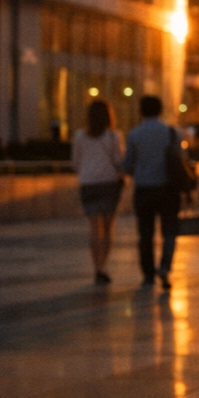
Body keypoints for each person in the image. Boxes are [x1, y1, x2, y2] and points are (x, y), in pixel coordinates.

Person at [121, 95, 180, 292]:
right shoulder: (172, 133)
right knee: (169, 231)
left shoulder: (134, 135)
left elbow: (128, 165)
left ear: (141, 111)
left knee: (145, 234)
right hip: (168, 189)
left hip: (144, 190)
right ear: (160, 111)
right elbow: (181, 160)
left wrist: (139, 170)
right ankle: (165, 267)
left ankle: (148, 274)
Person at [72, 99, 123, 285]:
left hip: (88, 184)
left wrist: (87, 172)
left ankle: (97, 267)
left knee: (94, 228)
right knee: (108, 228)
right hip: (109, 184)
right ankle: (103, 266)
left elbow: (75, 162)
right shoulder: (114, 137)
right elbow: (119, 161)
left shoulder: (80, 136)